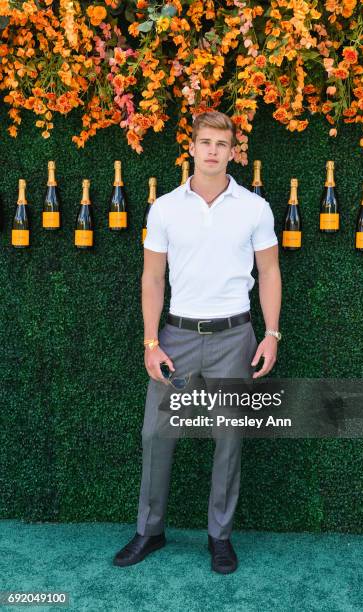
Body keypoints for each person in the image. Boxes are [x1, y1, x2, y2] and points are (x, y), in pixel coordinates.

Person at [113, 111, 282, 574]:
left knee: (229, 438)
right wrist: (151, 342)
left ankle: (220, 537)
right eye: (204, 141)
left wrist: (271, 333)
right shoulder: (165, 207)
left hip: (235, 336)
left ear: (233, 151)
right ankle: (150, 531)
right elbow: (152, 278)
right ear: (191, 147)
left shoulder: (255, 208)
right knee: (156, 435)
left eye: (220, 144)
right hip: (178, 336)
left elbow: (269, 271)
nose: (212, 150)